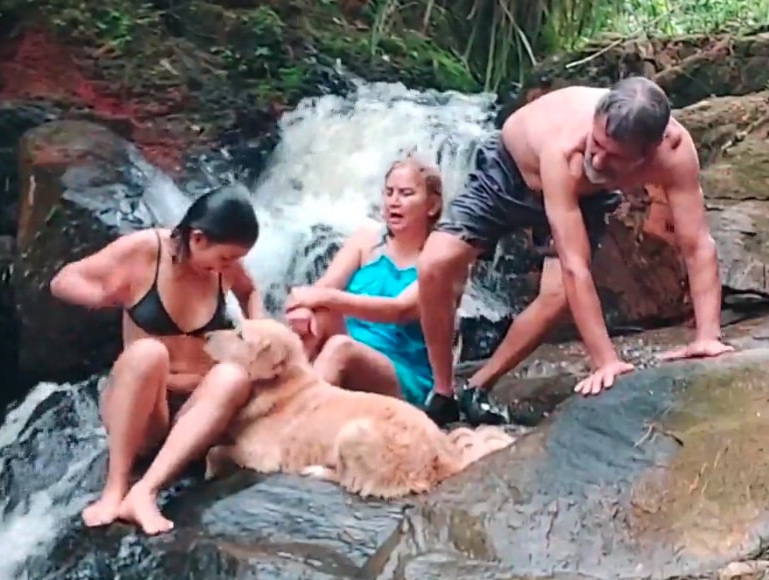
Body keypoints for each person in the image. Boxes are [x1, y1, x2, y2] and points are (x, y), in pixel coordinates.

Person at [416, 77, 733, 426]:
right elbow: (574, 266)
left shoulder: (675, 152)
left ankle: (477, 386)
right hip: (508, 173)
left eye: (615, 156)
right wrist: (605, 360)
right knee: (434, 264)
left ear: (651, 151)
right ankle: (443, 391)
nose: (597, 158)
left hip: (586, 196)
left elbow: (697, 243)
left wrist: (707, 336)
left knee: (558, 297)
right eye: (596, 142)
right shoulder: (566, 147)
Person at [49, 184, 267, 534]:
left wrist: (258, 328)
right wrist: (103, 296)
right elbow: (63, 281)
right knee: (150, 353)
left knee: (234, 375)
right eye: (225, 258)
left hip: (194, 413)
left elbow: (249, 289)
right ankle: (115, 488)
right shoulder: (145, 250)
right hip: (144, 408)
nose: (229, 266)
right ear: (197, 239)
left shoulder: (224, 267)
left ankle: (145, 491)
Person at [284, 158, 440, 405]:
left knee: (340, 346)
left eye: (405, 193)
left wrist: (323, 297)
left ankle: (298, 412)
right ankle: (282, 392)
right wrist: (303, 309)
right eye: (389, 192)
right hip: (345, 345)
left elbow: (399, 310)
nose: (393, 201)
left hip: (399, 372)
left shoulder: (440, 259)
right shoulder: (366, 239)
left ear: (432, 205)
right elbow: (324, 287)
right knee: (319, 316)